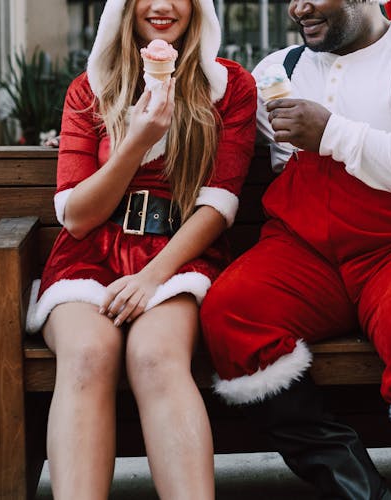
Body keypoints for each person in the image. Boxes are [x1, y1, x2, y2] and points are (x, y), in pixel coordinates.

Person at [200, 0, 391, 498]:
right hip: (305, 249)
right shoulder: (278, 70)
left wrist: (334, 134)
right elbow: (265, 153)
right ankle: (356, 489)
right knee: (232, 312)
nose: (298, 6)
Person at [24, 0, 256, 497]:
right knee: (88, 353)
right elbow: (78, 215)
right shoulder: (89, 90)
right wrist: (138, 138)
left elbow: (219, 205)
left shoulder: (229, 86)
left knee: (155, 356)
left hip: (180, 253)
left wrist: (152, 276)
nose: (162, 4)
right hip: (90, 253)